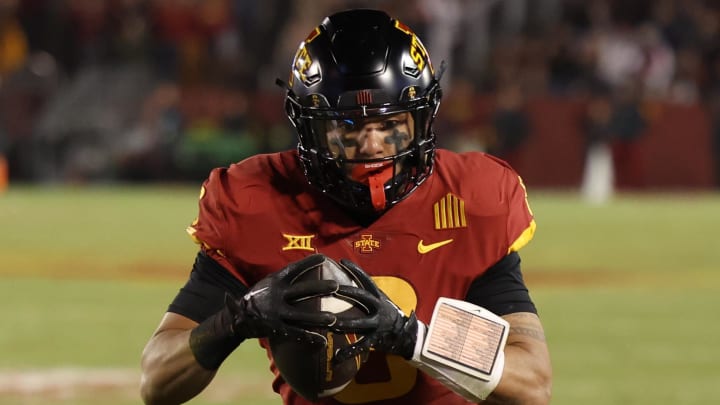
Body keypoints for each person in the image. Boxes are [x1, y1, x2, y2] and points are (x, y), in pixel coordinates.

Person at [140, 9, 552, 405]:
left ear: (422, 120)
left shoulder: (468, 201)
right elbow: (157, 382)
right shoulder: (257, 200)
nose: (371, 145)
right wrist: (235, 321)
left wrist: (412, 338)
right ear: (308, 126)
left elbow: (531, 383)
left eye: (390, 126)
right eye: (347, 127)